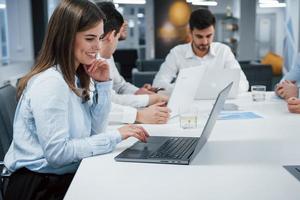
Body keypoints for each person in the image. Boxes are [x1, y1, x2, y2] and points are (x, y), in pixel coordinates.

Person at [3, 1, 149, 199]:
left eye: (99, 38)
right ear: (66, 38)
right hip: (39, 187)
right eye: (90, 38)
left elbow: (94, 132)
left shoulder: (76, 76)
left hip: (58, 177)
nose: (97, 47)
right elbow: (58, 154)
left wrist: (104, 85)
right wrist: (116, 135)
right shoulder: (51, 83)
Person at [97, 2, 170, 124]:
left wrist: (139, 93)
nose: (125, 23)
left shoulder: (107, 55)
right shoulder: (93, 59)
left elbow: (120, 86)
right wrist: (147, 102)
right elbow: (109, 101)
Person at [152, 9, 249, 93]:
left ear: (214, 31)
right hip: (186, 108)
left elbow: (243, 84)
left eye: (209, 36)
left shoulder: (224, 51)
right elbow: (158, 84)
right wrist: (180, 88)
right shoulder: (177, 52)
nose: (205, 41)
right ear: (190, 32)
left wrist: (216, 90)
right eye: (199, 36)